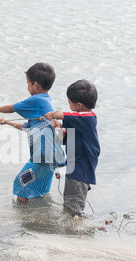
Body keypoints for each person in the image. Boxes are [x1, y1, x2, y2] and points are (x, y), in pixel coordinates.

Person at [0, 62, 62, 203]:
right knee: (40, 189)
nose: (27, 87)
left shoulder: (36, 100)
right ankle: (40, 215)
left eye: (28, 83)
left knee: (21, 183)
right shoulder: (46, 101)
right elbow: (28, 127)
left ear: (35, 85)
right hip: (50, 158)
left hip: (41, 158)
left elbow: (14, 107)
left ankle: (23, 216)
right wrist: (8, 122)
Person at [44, 79, 100, 217]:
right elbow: (65, 139)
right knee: (69, 204)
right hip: (74, 168)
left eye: (69, 102)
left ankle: (77, 234)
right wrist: (58, 128)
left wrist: (54, 114)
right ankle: (71, 230)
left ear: (79, 105)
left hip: (81, 170)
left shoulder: (87, 118)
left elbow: (63, 115)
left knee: (74, 208)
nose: (68, 105)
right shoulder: (79, 120)